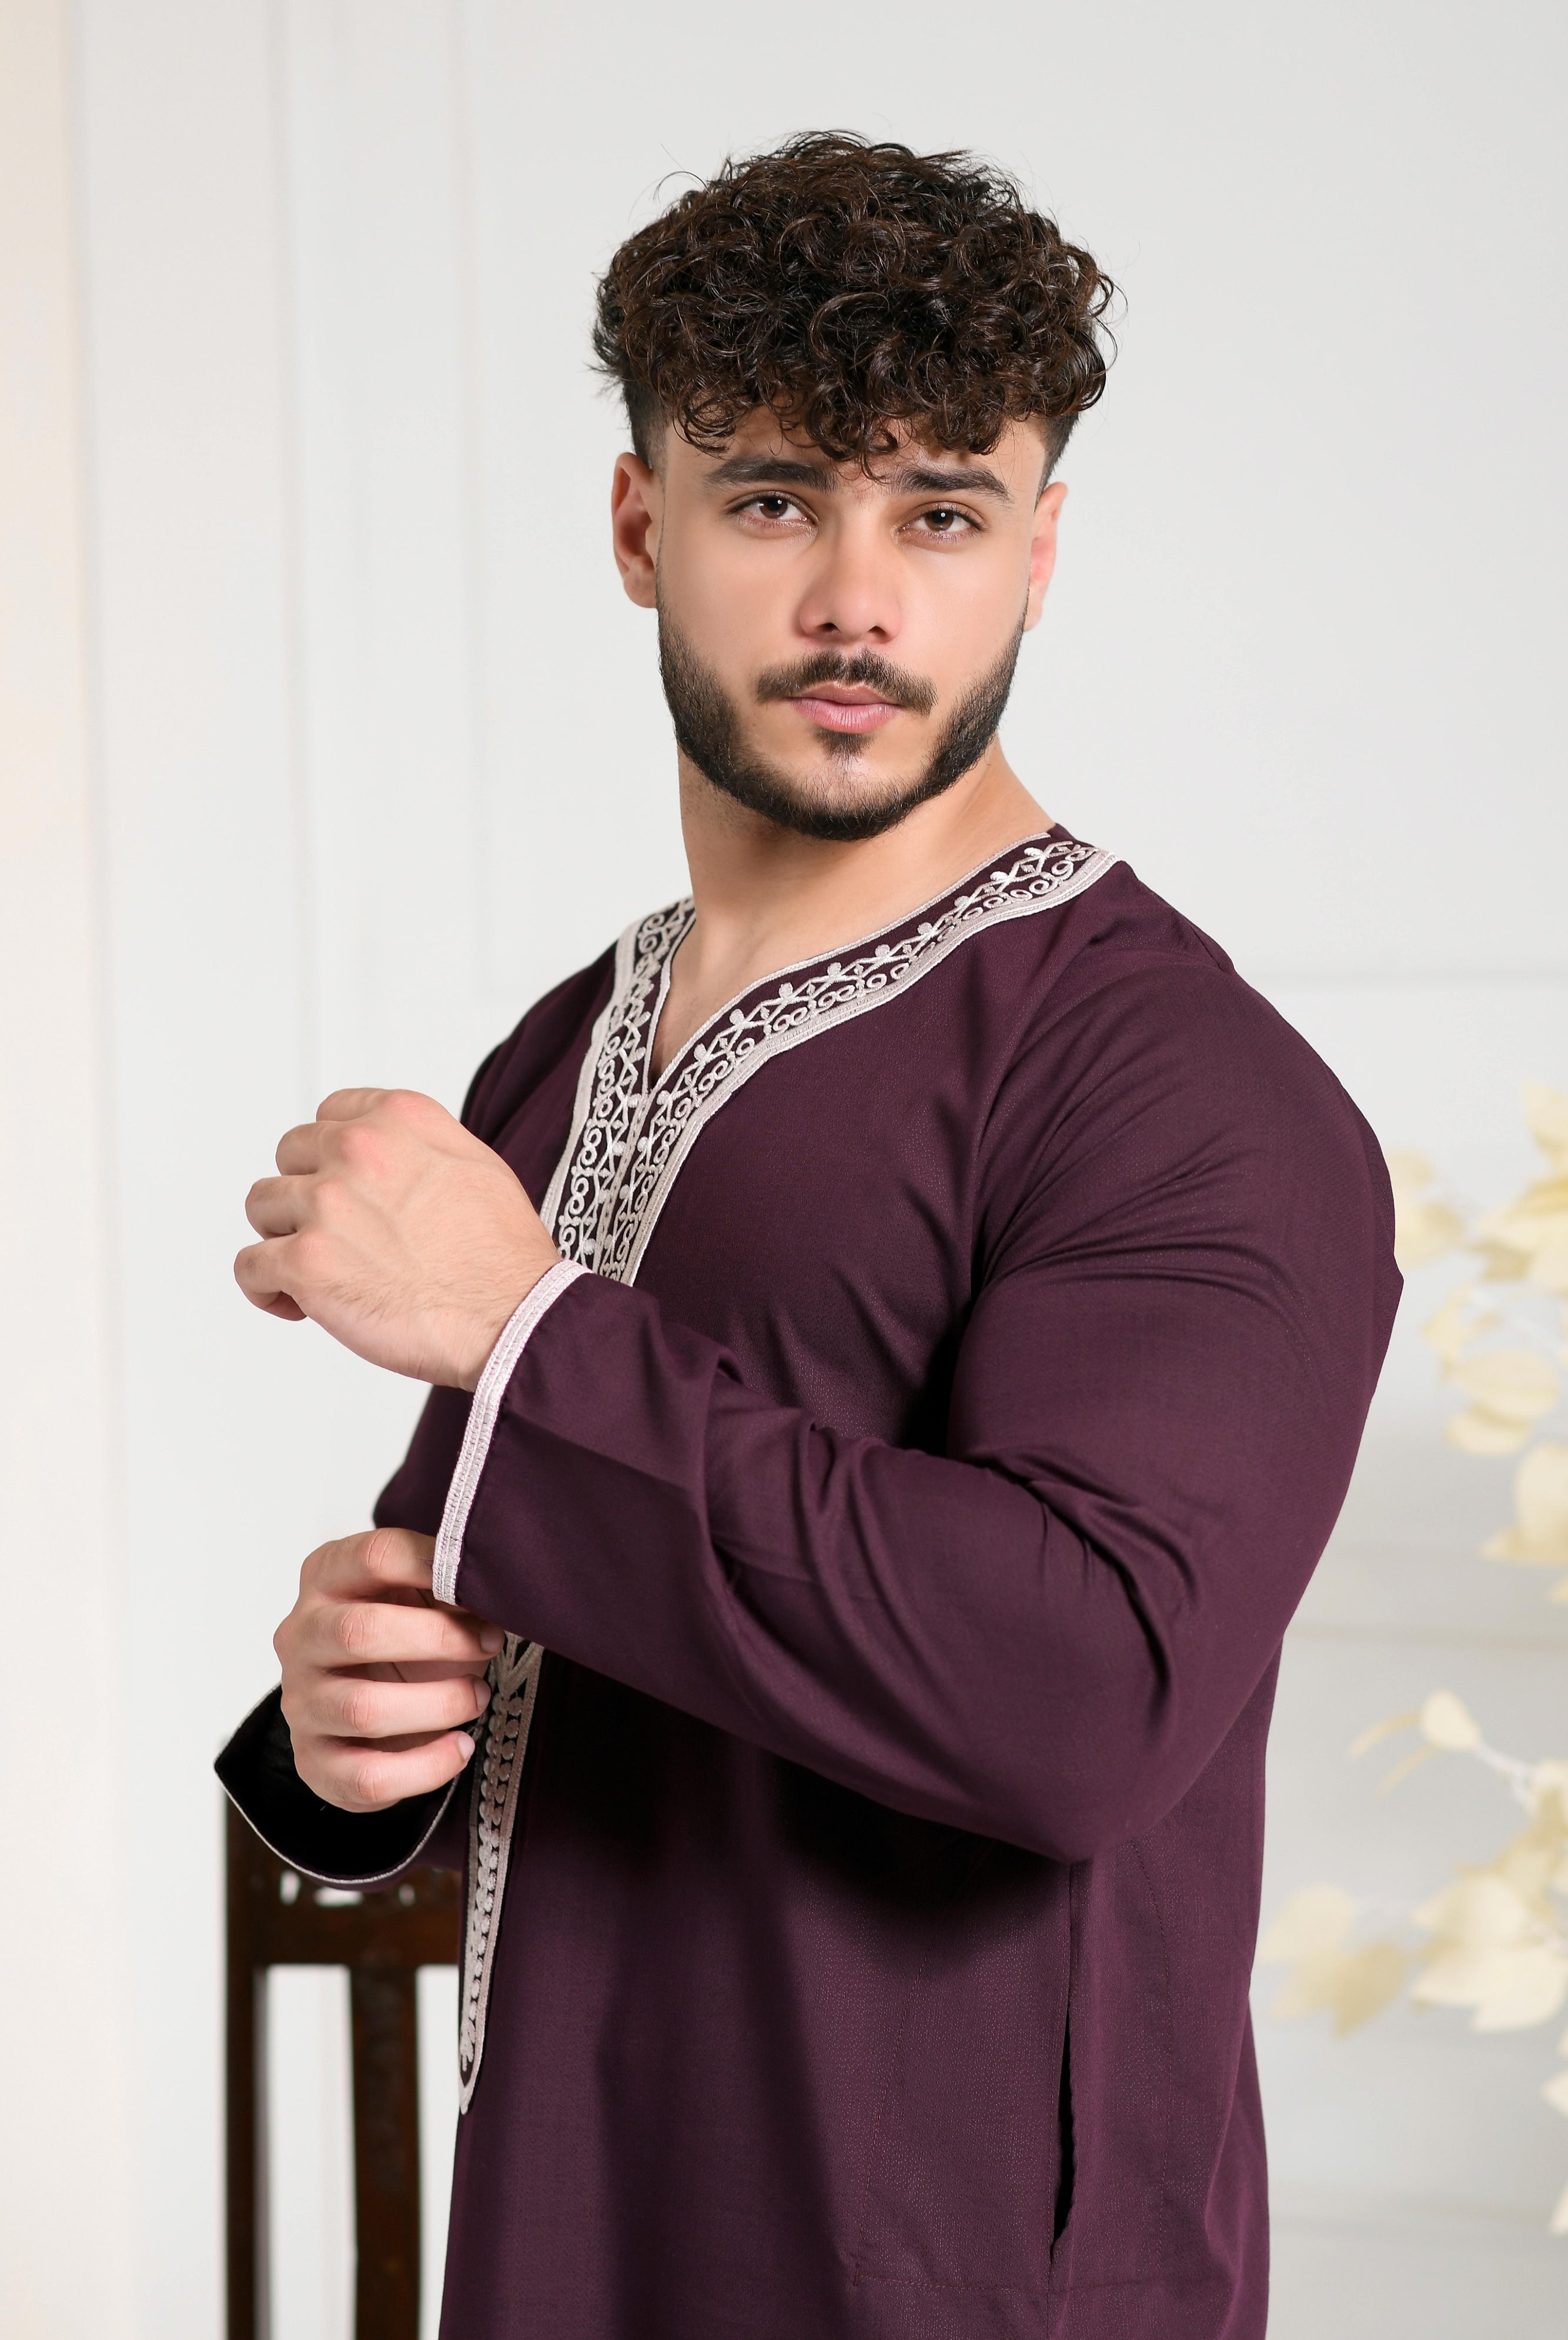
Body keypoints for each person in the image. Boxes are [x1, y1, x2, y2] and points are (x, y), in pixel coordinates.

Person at [220, 133, 1399, 2339]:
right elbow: (554, 1618)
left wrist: (521, 1329)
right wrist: (350, 1725)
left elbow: (1083, 1693)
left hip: (948, 2283)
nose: (857, 602)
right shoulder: (567, 1049)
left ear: (1036, 550)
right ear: (638, 525)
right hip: (572, 2219)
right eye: (773, 500)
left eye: (937, 514)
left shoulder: (1178, 1087)